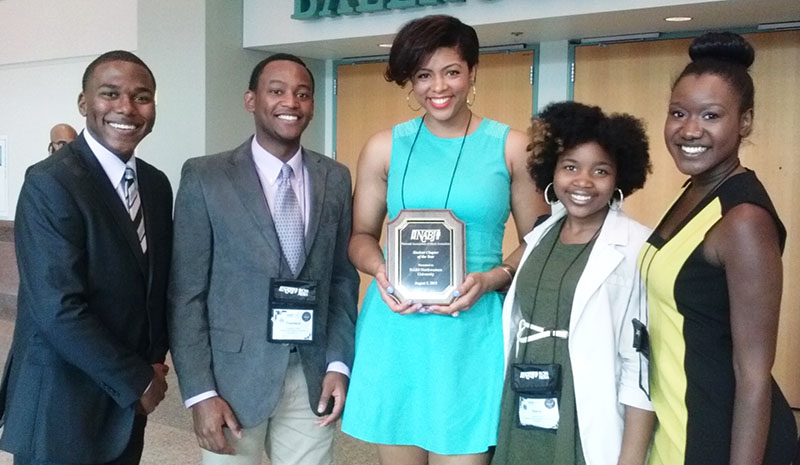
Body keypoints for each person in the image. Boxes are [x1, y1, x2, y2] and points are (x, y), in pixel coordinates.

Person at [341, 15, 546, 465]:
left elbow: (541, 239)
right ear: (411, 82)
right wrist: (379, 269)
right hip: (397, 324)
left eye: (451, 71)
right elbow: (359, 237)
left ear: (472, 72)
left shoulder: (511, 147)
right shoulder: (384, 147)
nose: (439, 86)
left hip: (471, 327)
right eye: (423, 75)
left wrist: (495, 277)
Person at [168, 53, 358, 465]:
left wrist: (339, 363)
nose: (291, 101)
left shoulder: (336, 178)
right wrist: (200, 392)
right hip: (232, 382)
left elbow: (342, 279)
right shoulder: (206, 177)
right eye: (277, 91)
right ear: (251, 99)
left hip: (310, 377)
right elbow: (186, 294)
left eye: (303, 94)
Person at [0, 50, 173, 465]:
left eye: (141, 96)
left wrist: (154, 360)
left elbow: (155, 286)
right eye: (110, 94)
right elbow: (57, 309)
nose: (126, 109)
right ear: (84, 103)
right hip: (63, 403)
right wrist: (135, 380)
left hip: (126, 406)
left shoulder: (155, 184)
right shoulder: (51, 182)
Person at [642, 31, 797, 465]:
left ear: (744, 121)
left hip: (720, 438)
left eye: (711, 116)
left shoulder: (744, 219)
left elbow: (753, 376)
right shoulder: (695, 191)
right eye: (678, 113)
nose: (690, 130)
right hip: (679, 421)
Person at [492, 101, 654, 465]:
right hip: (523, 402)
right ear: (552, 171)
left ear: (619, 179)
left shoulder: (634, 246)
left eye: (600, 170)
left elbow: (639, 366)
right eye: (570, 167)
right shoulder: (541, 234)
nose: (582, 181)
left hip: (584, 412)